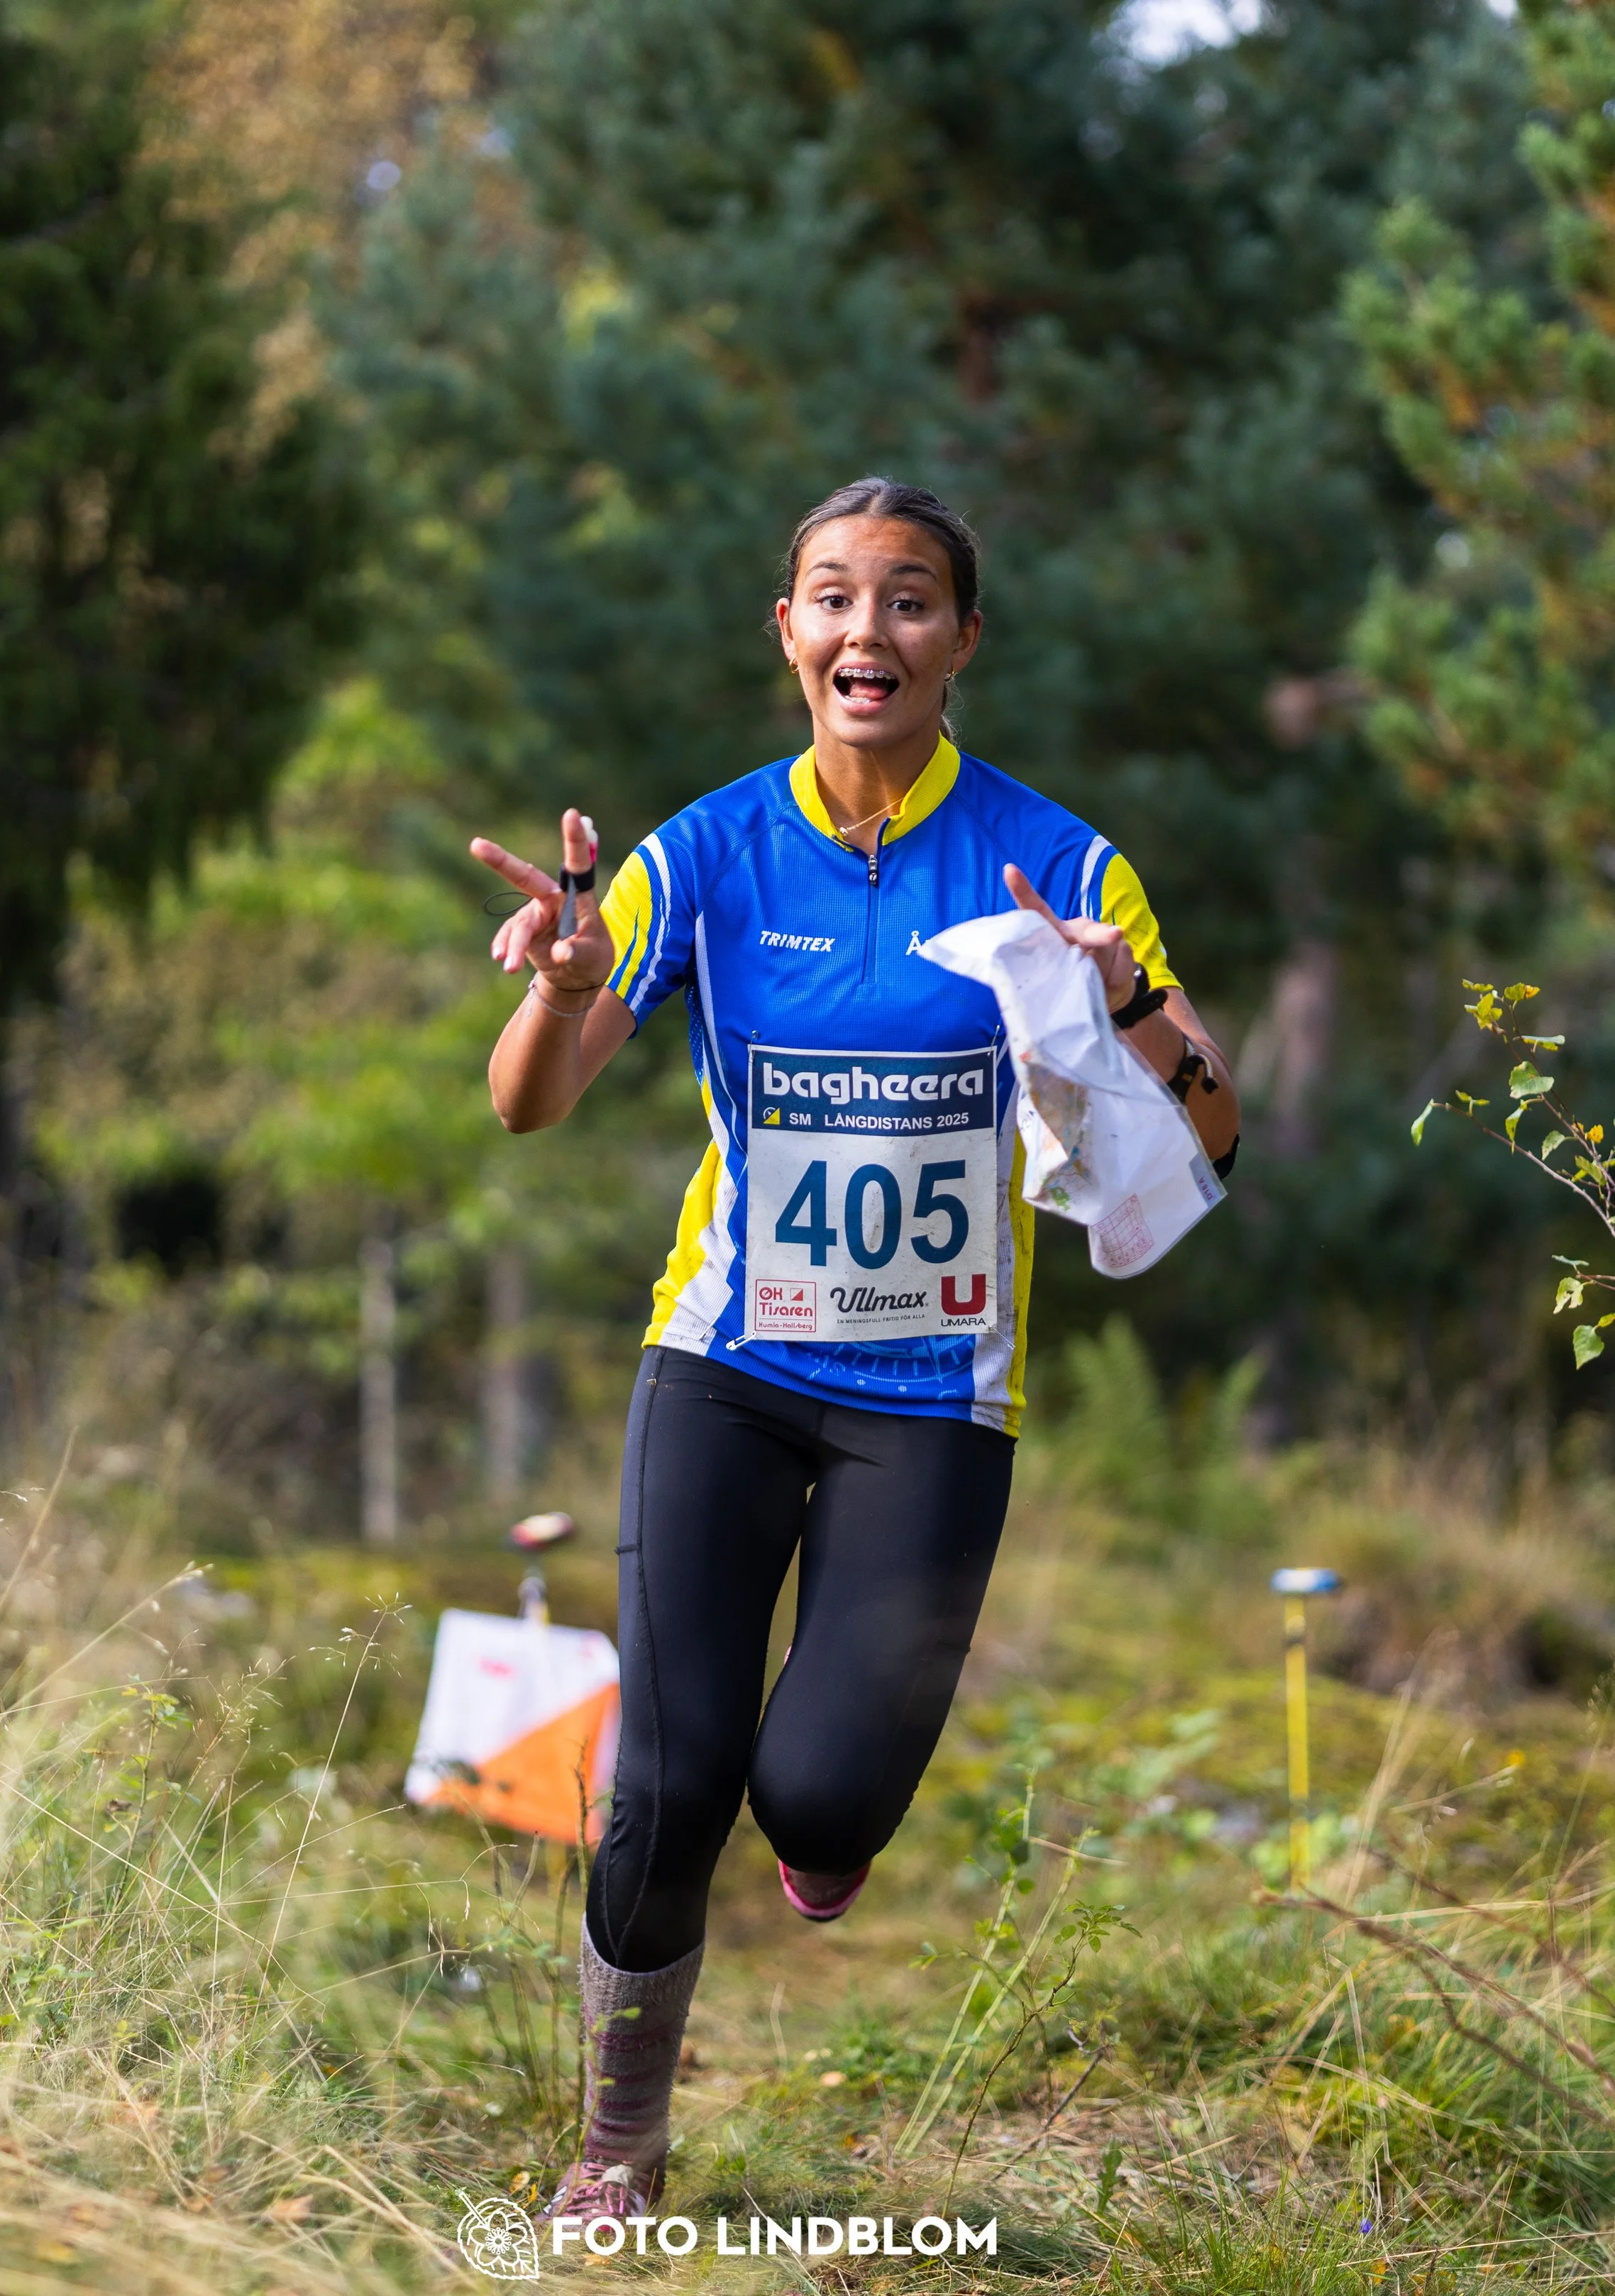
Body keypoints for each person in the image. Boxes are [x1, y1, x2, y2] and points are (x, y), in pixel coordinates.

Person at [469, 477, 1240, 2222]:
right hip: (725, 1364)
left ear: (961, 641)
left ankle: (821, 1836)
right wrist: (566, 985)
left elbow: (1213, 1133)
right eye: (831, 597)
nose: (865, 630)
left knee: (813, 1796)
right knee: (666, 1783)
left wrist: (1121, 999)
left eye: (907, 600)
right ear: (787, 634)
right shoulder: (710, 851)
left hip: (934, 1402)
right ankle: (615, 2145)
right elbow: (527, 1108)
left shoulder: (1059, 861)